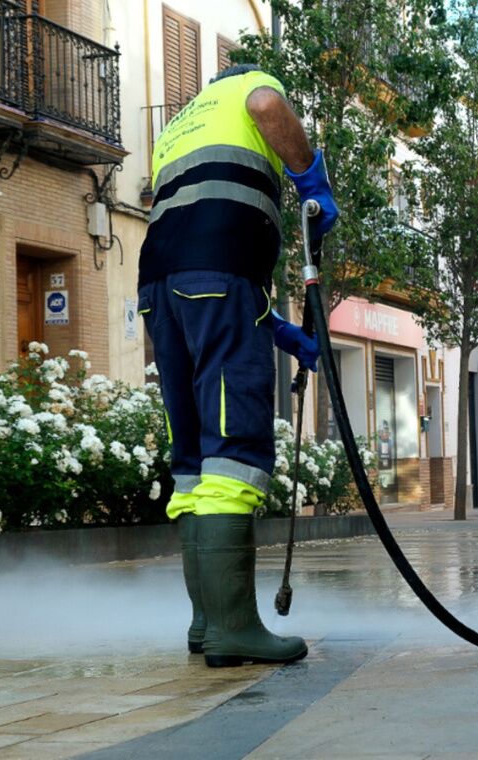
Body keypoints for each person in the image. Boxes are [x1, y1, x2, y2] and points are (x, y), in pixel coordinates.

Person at [138, 64, 338, 667]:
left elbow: (199, 262)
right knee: (234, 441)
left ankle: (205, 623)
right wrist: (310, 179)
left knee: (195, 457)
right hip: (220, 278)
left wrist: (273, 326)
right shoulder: (246, 88)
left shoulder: (177, 127)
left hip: (161, 291)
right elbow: (266, 106)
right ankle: (233, 627)